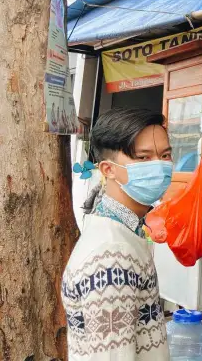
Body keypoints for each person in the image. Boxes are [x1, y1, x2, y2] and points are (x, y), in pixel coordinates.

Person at [61, 108, 173, 360]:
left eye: (165, 155)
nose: (159, 166)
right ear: (108, 169)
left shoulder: (121, 230)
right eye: (143, 158)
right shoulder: (112, 255)